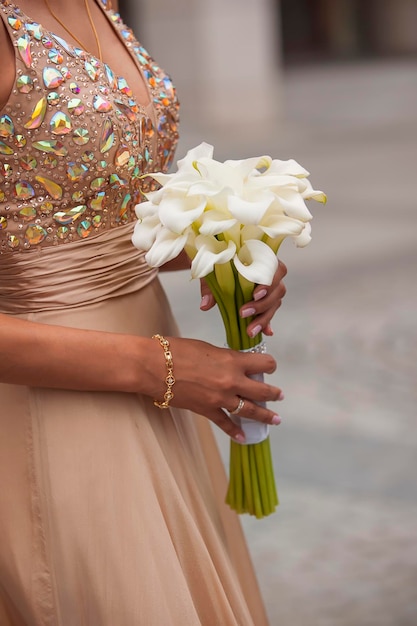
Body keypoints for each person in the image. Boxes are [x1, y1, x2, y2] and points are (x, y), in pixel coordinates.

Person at [0, 1, 288, 623]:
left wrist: (222, 243)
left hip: (161, 377)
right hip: (58, 402)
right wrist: (152, 367)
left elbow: (75, 217)